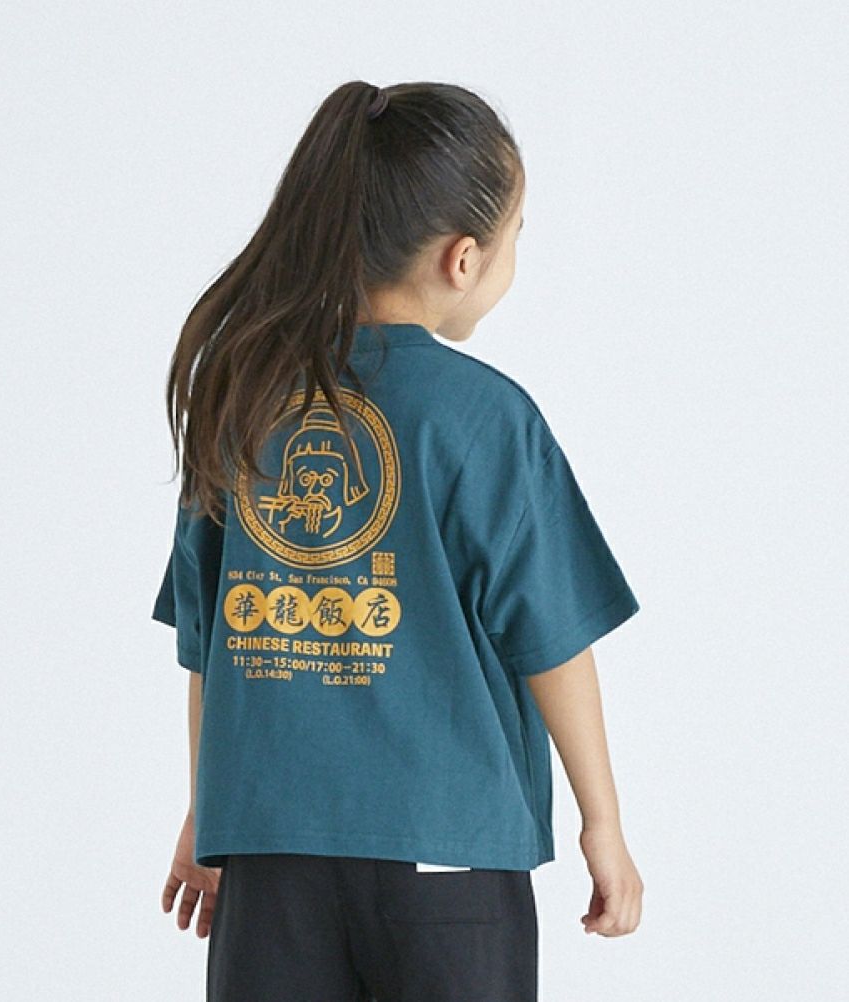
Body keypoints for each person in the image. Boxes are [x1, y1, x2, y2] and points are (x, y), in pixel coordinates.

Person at [152, 80, 644, 1002]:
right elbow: (550, 640)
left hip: (270, 852)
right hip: (448, 853)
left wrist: (209, 815)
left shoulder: (242, 394)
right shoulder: (485, 418)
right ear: (464, 258)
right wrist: (602, 825)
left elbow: (210, 643)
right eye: (517, 235)